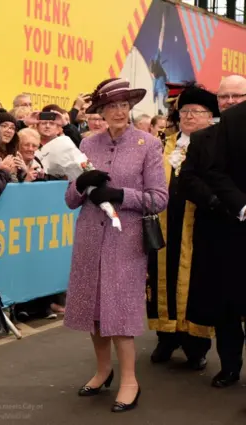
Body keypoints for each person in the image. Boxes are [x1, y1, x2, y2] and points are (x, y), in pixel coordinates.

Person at [63, 78, 168, 413]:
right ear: (101, 111)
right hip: (90, 239)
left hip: (126, 241)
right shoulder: (87, 144)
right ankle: (102, 370)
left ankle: (130, 381)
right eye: (111, 106)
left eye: (124, 105)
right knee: (94, 311)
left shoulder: (148, 145)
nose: (119, 111)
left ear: (130, 108)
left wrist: (121, 195)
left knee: (120, 313)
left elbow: (159, 199)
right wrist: (81, 184)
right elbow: (69, 199)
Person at [146, 84, 219, 370]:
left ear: (210, 116)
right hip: (164, 225)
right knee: (161, 278)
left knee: (196, 284)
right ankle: (166, 336)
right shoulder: (163, 143)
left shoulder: (215, 145)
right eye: (185, 111)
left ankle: (196, 344)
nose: (189, 117)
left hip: (197, 227)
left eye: (197, 112)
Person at [190, 75, 246, 387]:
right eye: (223, 96)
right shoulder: (202, 139)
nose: (229, 101)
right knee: (225, 307)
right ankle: (229, 366)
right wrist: (228, 205)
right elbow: (193, 180)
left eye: (236, 95)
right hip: (219, 233)